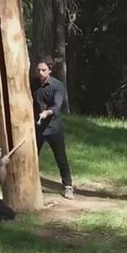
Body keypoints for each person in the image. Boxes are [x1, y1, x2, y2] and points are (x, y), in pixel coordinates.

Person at [34, 56, 74, 199]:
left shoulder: (57, 86)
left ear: (50, 70)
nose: (40, 73)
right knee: (32, 157)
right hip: (37, 128)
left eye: (44, 70)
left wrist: (47, 112)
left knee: (61, 158)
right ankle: (32, 184)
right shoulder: (33, 84)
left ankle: (68, 186)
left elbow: (57, 106)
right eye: (38, 70)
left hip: (53, 128)